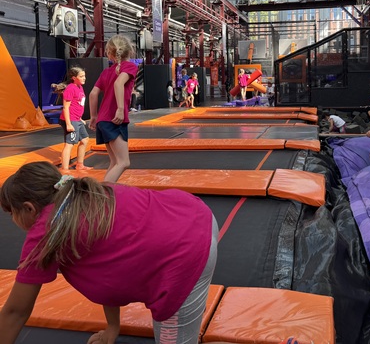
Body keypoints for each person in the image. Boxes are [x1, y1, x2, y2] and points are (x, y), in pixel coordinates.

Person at [0, 161, 218, 344]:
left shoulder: (46, 232)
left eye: (12, 213)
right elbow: (107, 269)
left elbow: (15, 312)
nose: (13, 220)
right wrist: (113, 327)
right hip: (192, 212)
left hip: (186, 253)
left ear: (29, 208)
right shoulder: (85, 193)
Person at [89, 35, 138, 183]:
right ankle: (102, 193)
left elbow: (93, 94)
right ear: (129, 51)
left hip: (103, 120)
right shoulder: (129, 66)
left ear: (110, 53)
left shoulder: (106, 72)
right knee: (124, 162)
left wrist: (93, 116)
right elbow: (118, 84)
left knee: (115, 161)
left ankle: (104, 191)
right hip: (114, 120)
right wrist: (120, 109)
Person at [58, 66, 92, 172]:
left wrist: (80, 118)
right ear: (74, 78)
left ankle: (80, 164)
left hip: (76, 119)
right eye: (81, 76)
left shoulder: (79, 87)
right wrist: (68, 124)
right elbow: (66, 107)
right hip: (71, 120)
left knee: (85, 140)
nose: (84, 78)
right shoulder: (70, 88)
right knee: (69, 144)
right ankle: (65, 169)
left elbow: (78, 103)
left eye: (84, 76)